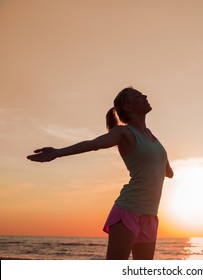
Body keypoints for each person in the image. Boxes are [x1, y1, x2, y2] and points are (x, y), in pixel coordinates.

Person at [27, 87, 174, 260]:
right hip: (128, 211)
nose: (145, 96)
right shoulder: (123, 132)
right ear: (127, 107)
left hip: (150, 216)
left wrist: (164, 167)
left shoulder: (152, 137)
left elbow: (167, 171)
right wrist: (58, 152)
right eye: (137, 95)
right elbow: (94, 143)